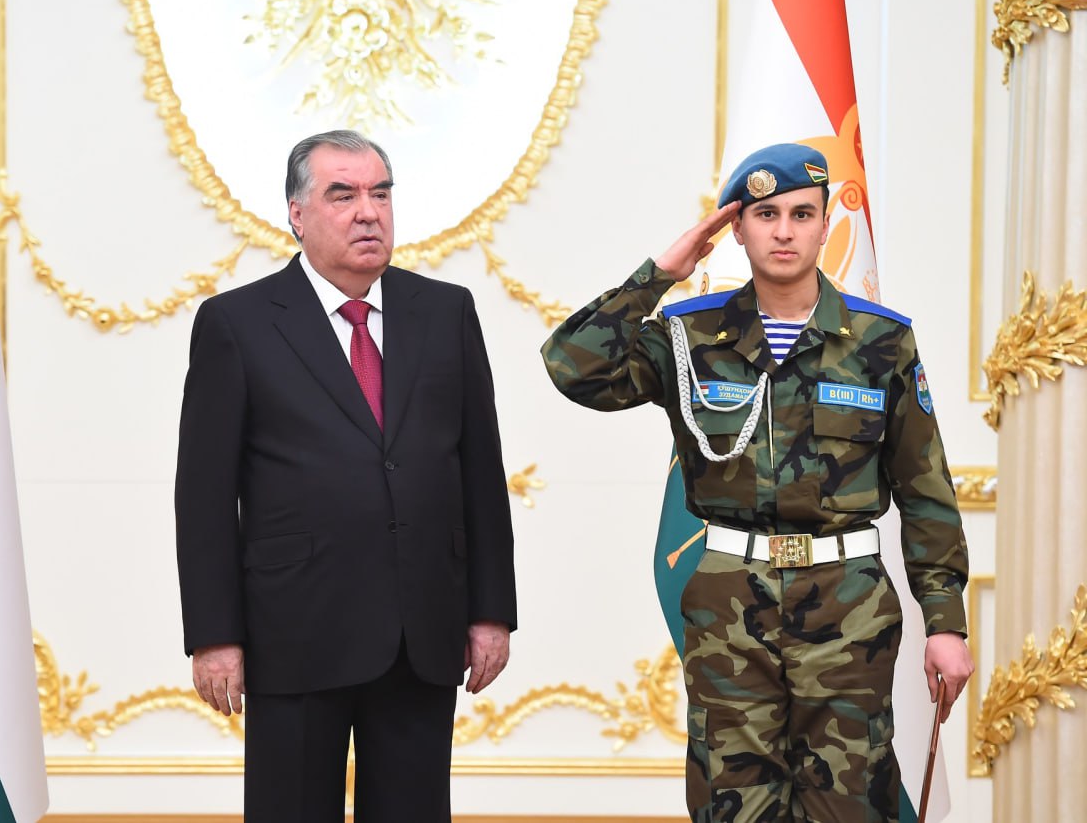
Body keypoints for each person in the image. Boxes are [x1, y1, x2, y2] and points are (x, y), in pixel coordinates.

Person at [540, 143, 973, 821]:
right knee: (733, 804)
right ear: (736, 228)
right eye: (766, 214)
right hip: (730, 604)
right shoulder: (688, 336)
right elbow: (575, 366)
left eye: (802, 214)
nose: (784, 231)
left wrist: (945, 622)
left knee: (850, 805)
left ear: (825, 225)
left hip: (848, 607)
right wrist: (659, 275)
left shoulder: (880, 341)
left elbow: (925, 489)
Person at [176, 129, 517, 823]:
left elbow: (481, 471)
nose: (368, 212)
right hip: (293, 631)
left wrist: (491, 611)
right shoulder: (237, 323)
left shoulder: (445, 312)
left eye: (380, 193)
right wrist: (215, 634)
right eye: (343, 195)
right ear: (297, 214)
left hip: (423, 632)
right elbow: (204, 496)